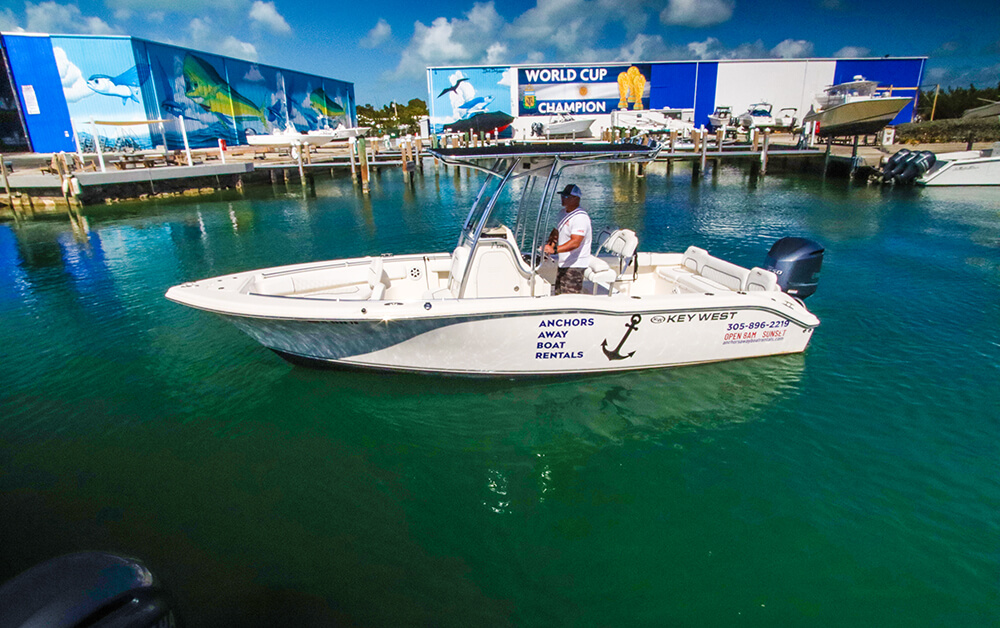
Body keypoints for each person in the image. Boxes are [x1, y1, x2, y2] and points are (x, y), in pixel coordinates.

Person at [543, 183, 592, 295]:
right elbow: (556, 231)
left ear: (576, 198)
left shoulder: (580, 217)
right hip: (563, 262)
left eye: (567, 197)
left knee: (570, 298)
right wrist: (550, 244)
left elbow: (575, 242)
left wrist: (555, 250)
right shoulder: (562, 213)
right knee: (559, 294)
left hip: (575, 265)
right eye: (562, 196)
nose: (563, 199)